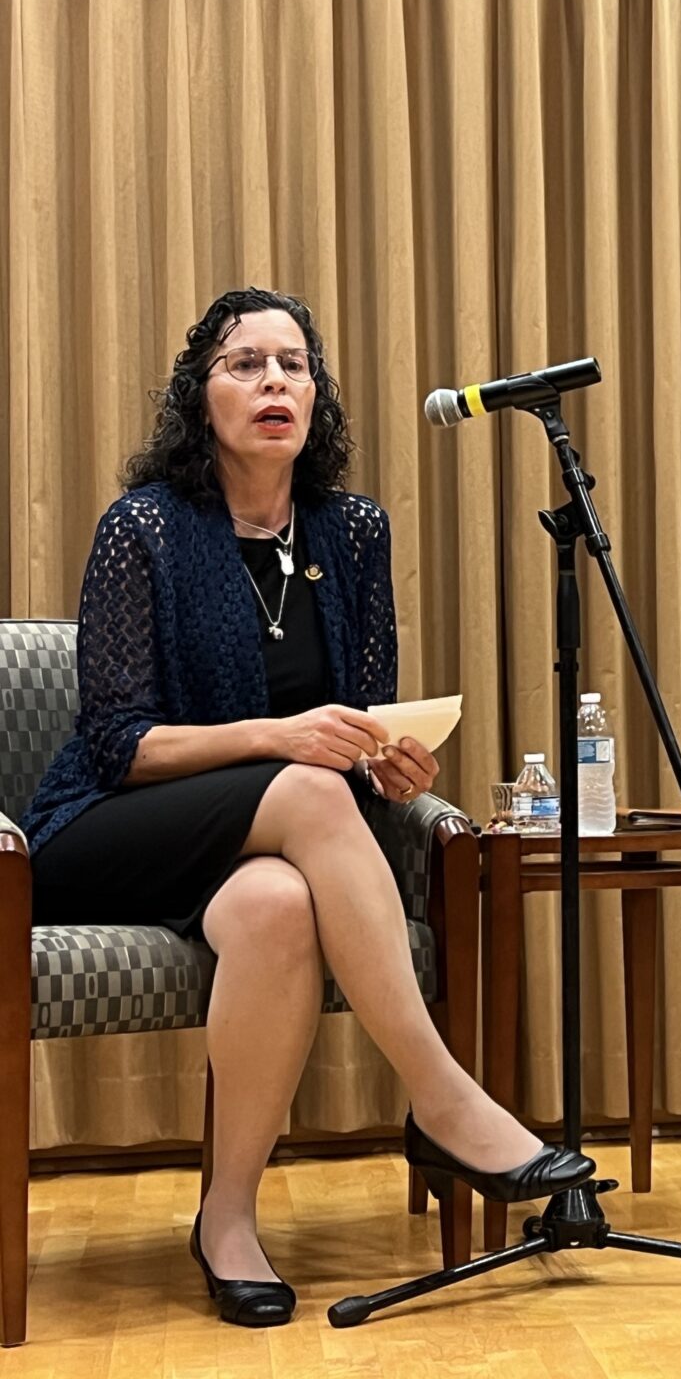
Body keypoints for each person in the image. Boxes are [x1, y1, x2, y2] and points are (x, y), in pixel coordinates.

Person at [22, 289, 593, 1326]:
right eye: (245, 364)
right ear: (201, 400)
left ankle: (227, 1219)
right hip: (108, 827)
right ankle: (442, 1095)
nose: (274, 381)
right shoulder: (142, 529)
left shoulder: (354, 529)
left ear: (317, 398)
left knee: (281, 908)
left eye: (293, 364)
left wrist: (389, 764)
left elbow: (365, 717)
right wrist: (282, 741)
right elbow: (117, 741)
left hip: (278, 842)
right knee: (302, 786)